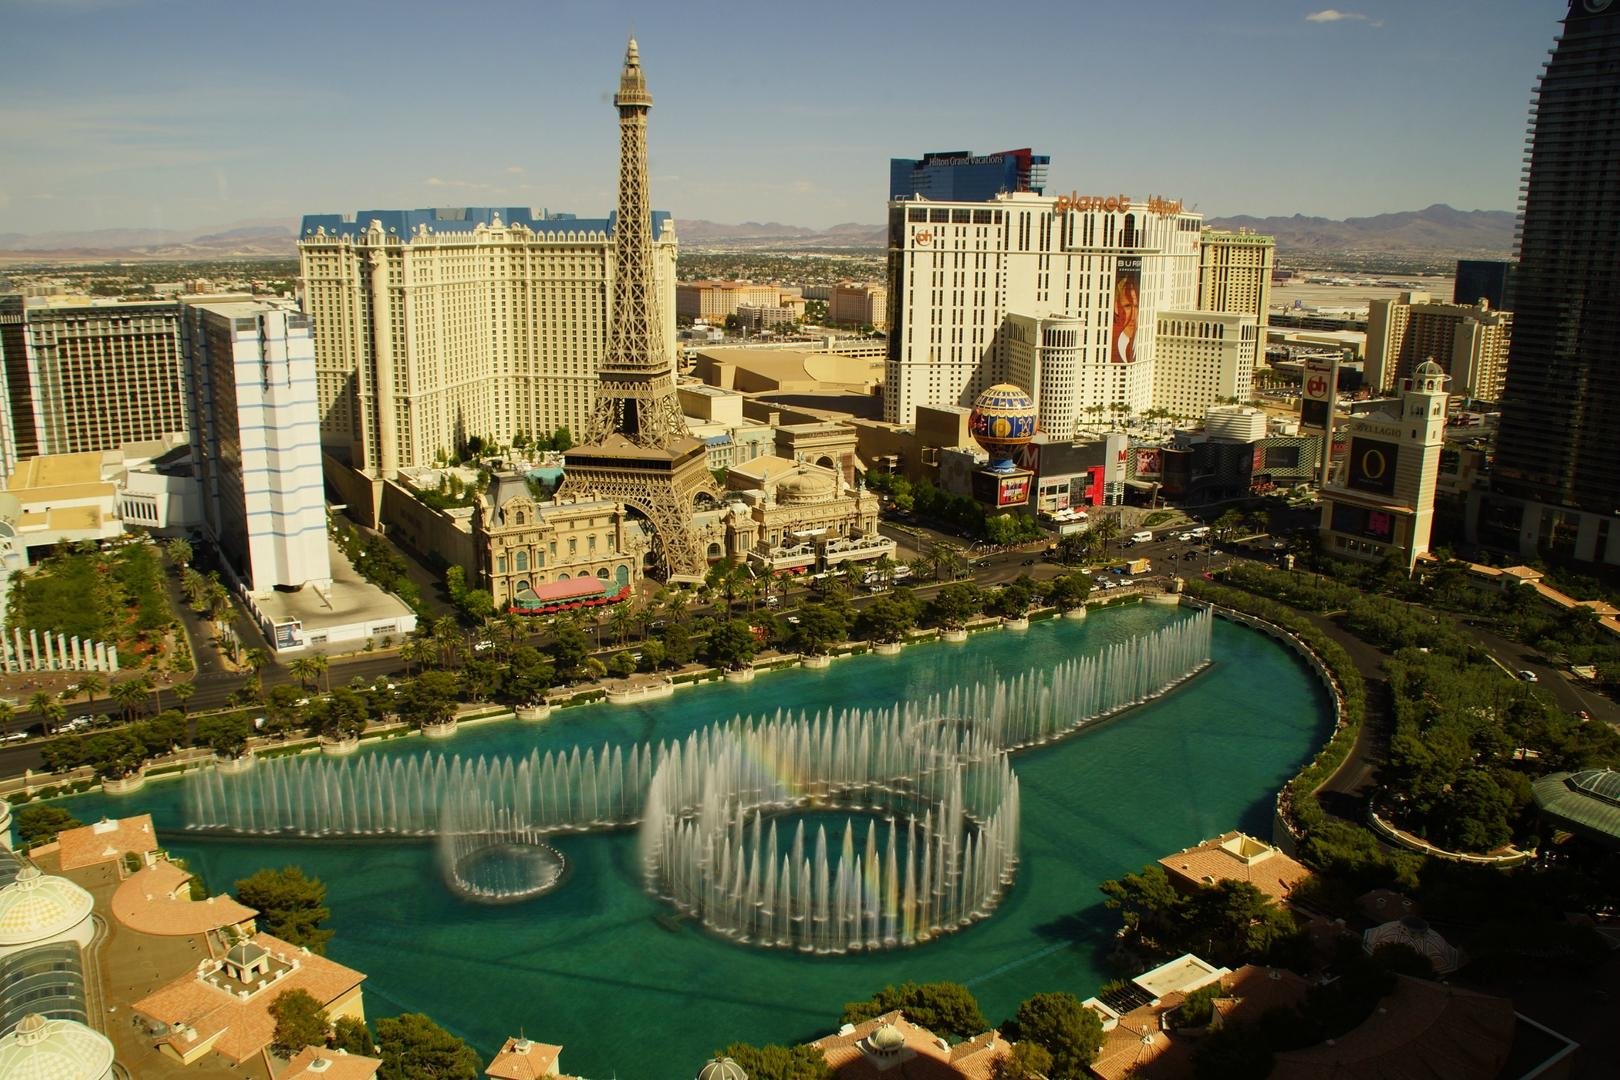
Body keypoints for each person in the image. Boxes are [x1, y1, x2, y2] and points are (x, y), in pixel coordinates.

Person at [1112, 275, 1139, 365]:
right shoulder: (1111, 341)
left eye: (1136, 306)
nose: (1133, 315)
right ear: (1116, 307)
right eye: (1127, 306)